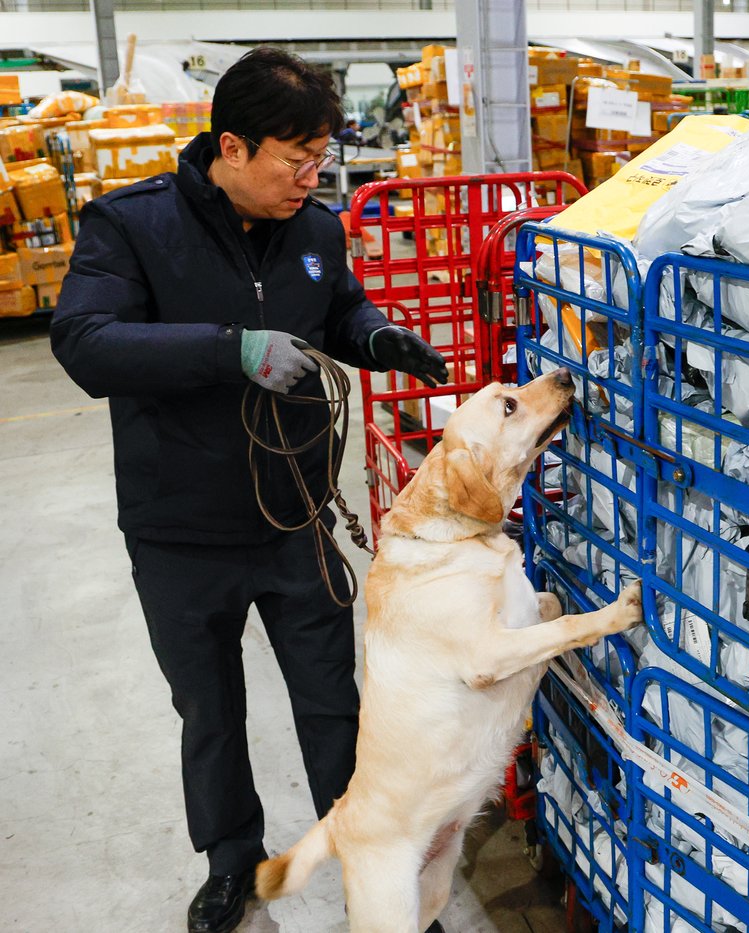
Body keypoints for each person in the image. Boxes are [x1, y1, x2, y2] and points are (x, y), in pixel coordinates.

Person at [51, 48, 450, 933]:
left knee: (331, 702)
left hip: (293, 515)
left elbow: (337, 305)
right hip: (180, 527)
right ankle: (233, 861)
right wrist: (228, 348)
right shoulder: (132, 226)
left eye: (322, 158)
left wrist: (378, 336)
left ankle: (366, 858)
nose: (313, 178)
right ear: (231, 146)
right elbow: (84, 342)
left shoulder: (315, 228)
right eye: (295, 159)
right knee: (211, 708)